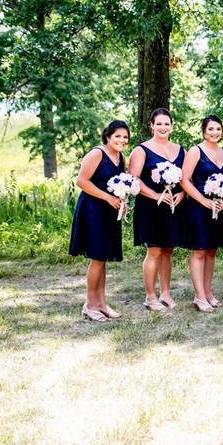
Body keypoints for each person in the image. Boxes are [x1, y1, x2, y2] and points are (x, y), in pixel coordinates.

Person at [69, 120, 132, 321]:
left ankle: (102, 303)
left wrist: (123, 201)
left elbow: (121, 184)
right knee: (97, 258)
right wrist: (107, 198)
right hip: (93, 210)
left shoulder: (121, 157)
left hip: (110, 212)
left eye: (125, 137)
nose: (122, 140)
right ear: (108, 136)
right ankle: (89, 305)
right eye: (118, 136)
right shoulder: (97, 153)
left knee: (103, 258)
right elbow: (81, 181)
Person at [129, 108, 185, 312]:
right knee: (154, 251)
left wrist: (182, 195)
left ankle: (166, 293)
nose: (163, 127)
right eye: (159, 124)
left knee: (168, 251)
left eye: (166, 123)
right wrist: (156, 196)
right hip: (150, 207)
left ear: (172, 125)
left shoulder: (181, 150)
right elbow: (133, 179)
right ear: (151, 125)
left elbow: (186, 179)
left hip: (173, 206)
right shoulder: (141, 150)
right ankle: (150, 296)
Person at [180, 115, 223, 312]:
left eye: (218, 129)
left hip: (218, 208)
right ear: (203, 131)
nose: (215, 132)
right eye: (211, 129)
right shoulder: (196, 151)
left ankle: (208, 292)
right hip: (199, 208)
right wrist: (203, 201)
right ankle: (199, 296)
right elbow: (185, 180)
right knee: (199, 250)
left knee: (212, 250)